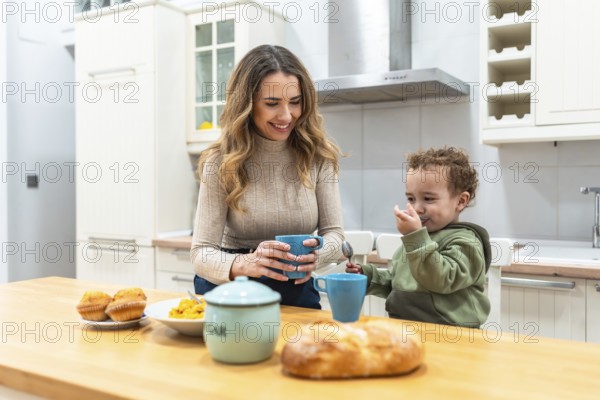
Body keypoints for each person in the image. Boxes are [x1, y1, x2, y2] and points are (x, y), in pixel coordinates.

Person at [191, 45, 344, 309]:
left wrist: (316, 256)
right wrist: (245, 264)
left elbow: (335, 236)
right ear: (247, 105)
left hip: (295, 290)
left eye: (295, 102)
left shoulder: (318, 156)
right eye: (272, 103)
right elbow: (201, 252)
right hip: (229, 289)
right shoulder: (220, 161)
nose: (286, 116)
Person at [346, 147, 491, 327]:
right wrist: (368, 276)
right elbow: (399, 286)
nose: (417, 208)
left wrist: (415, 238)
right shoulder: (416, 242)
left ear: (461, 201)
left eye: (428, 199)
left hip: (453, 335)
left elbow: (441, 279)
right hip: (406, 330)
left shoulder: (466, 242)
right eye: (411, 199)